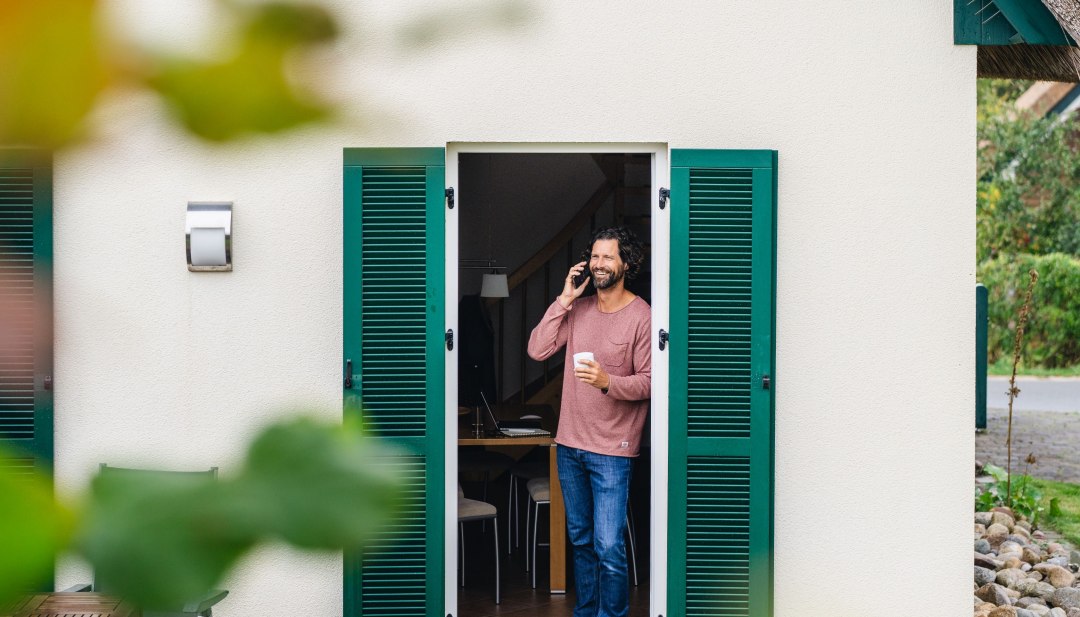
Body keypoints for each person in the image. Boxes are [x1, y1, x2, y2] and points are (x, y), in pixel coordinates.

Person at [527, 226, 651, 617]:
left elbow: (650, 381)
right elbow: (537, 349)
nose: (598, 264)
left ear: (626, 264)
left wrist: (608, 382)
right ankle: (586, 612)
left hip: (613, 452)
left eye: (607, 257)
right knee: (580, 541)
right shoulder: (577, 310)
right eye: (594, 256)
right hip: (569, 446)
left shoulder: (641, 316)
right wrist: (564, 298)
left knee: (608, 546)